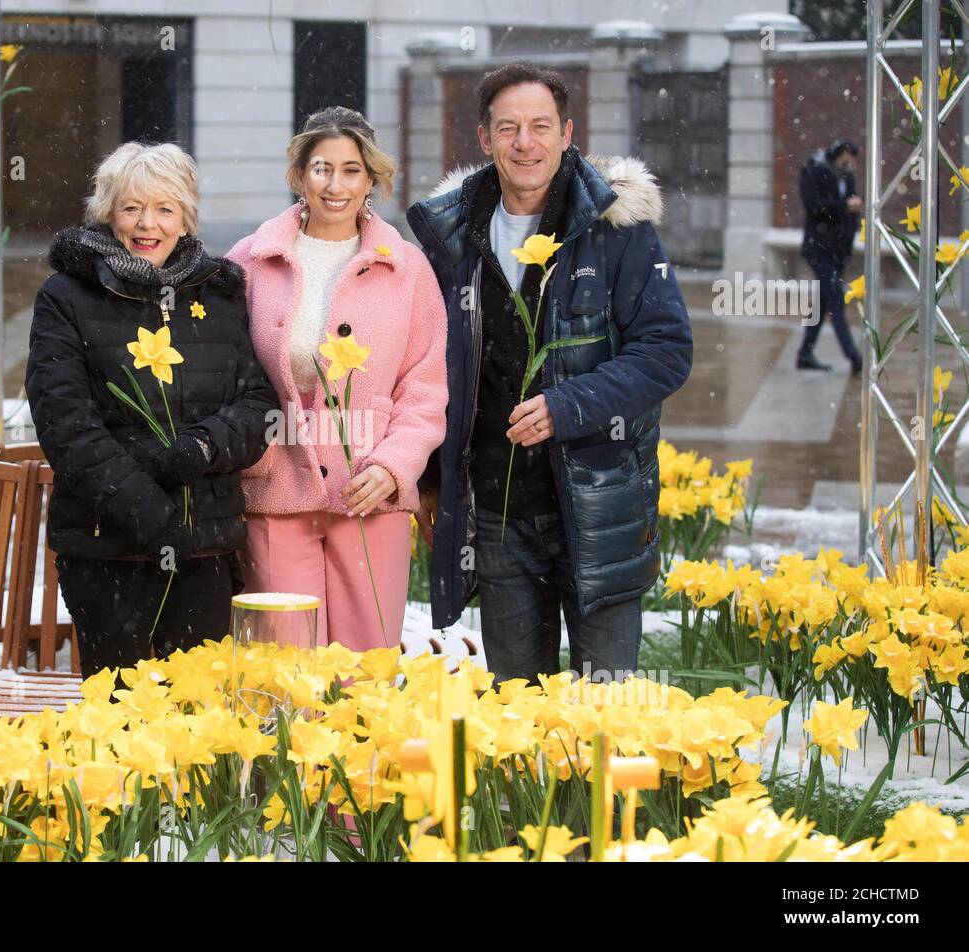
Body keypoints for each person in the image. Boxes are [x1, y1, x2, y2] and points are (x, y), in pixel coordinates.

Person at [406, 63, 692, 684]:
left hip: (599, 504)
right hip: (503, 514)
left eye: (540, 126)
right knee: (517, 713)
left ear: (567, 133)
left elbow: (666, 350)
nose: (524, 143)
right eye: (507, 128)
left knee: (603, 712)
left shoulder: (616, 228)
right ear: (484, 140)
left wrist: (570, 406)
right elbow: (431, 368)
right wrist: (431, 481)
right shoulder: (453, 236)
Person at [25, 141, 279, 678]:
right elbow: (67, 426)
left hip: (203, 548)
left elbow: (258, 405)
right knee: (119, 719)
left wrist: (202, 446)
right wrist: (153, 515)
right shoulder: (66, 297)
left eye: (165, 209)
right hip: (107, 550)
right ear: (107, 213)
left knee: (197, 717)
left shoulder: (218, 295)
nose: (148, 224)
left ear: (185, 219)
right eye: (131, 208)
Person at [226, 107, 448, 650]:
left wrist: (395, 467)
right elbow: (224, 372)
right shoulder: (250, 261)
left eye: (352, 170)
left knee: (366, 670)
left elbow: (424, 388)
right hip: (275, 489)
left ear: (372, 178)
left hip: (370, 496)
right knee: (284, 667)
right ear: (300, 174)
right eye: (322, 168)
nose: (336, 184)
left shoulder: (408, 268)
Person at [798, 138, 864, 374]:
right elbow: (815, 206)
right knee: (836, 298)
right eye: (845, 156)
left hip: (838, 251)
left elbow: (850, 210)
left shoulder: (847, 176)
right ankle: (853, 356)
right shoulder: (814, 171)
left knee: (823, 300)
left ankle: (804, 353)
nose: (849, 162)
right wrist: (844, 206)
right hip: (819, 248)